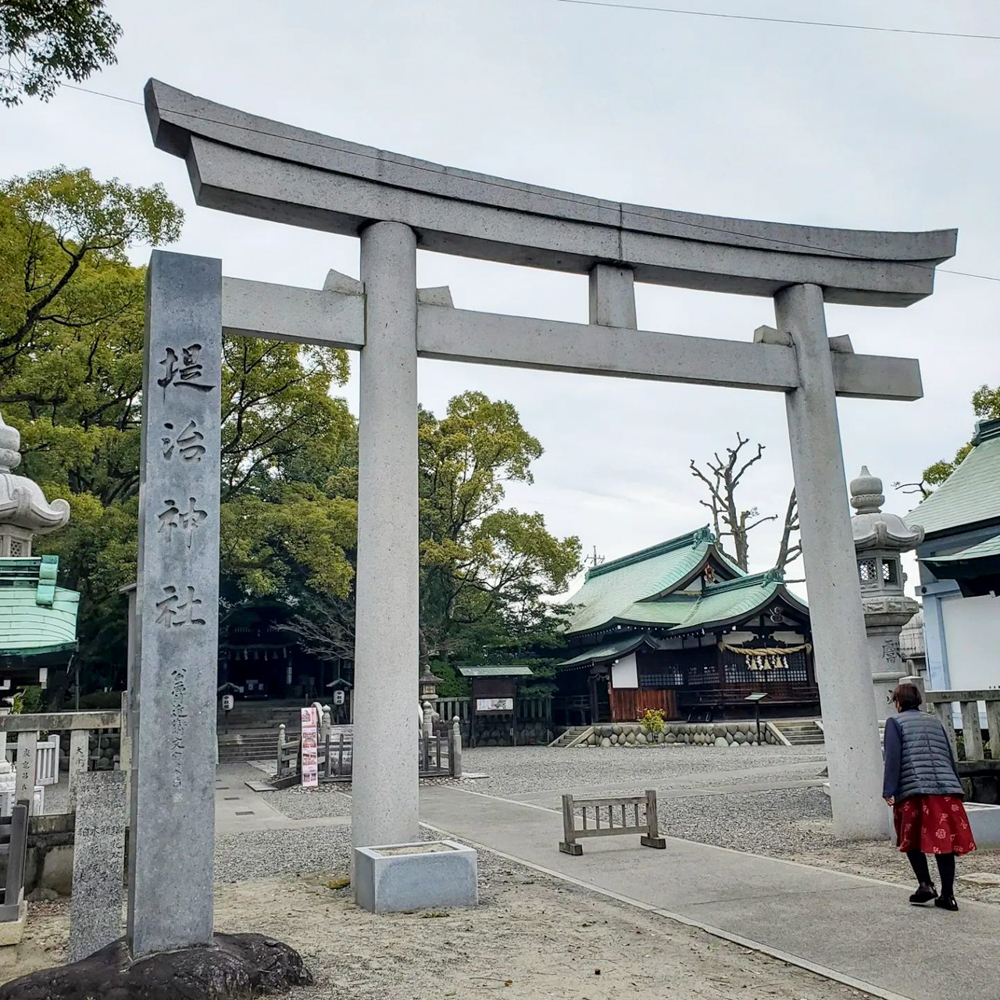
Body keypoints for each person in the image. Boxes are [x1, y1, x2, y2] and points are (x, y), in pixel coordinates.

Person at [883, 681, 976, 911]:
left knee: (911, 837)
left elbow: (892, 759)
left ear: (898, 702)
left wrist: (889, 789)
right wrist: (956, 786)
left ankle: (925, 884)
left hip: (915, 790)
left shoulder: (895, 723)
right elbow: (948, 754)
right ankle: (948, 895)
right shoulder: (935, 721)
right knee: (944, 840)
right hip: (946, 789)